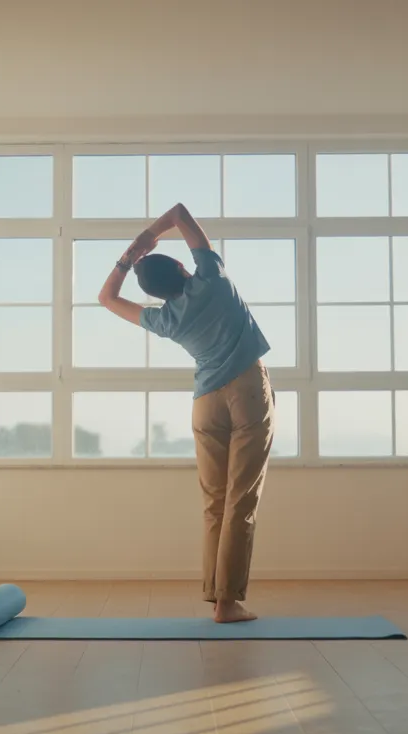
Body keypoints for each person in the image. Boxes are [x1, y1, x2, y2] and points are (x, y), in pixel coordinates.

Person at [98, 202, 274, 624]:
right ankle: (228, 604)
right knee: (241, 500)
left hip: (205, 402)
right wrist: (148, 238)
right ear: (182, 265)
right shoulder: (212, 279)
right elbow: (180, 214)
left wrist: (127, 258)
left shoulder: (165, 319)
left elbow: (106, 298)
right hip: (247, 391)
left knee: (215, 502)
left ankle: (219, 600)